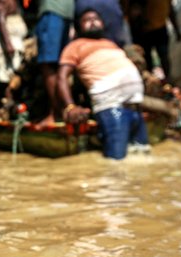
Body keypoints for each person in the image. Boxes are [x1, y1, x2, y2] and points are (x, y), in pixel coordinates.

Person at [57, 9, 149, 159]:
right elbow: (62, 77)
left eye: (96, 18)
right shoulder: (74, 46)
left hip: (135, 108)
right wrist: (70, 106)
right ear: (79, 27)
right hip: (112, 108)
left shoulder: (110, 43)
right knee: (116, 164)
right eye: (87, 20)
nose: (93, 21)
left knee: (143, 158)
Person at [35, 0, 75, 128]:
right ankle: (61, 110)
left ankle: (56, 114)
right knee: (60, 65)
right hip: (68, 12)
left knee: (48, 64)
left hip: (52, 10)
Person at [129, 0, 181, 80]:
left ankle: (167, 80)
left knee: (163, 57)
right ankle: (154, 82)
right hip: (143, 32)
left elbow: (170, 9)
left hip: (159, 30)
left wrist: (177, 30)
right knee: (149, 61)